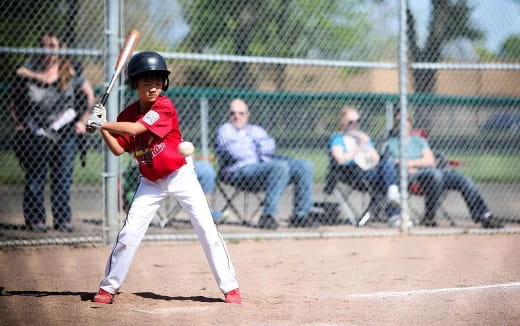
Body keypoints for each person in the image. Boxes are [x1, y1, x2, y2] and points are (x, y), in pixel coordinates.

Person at [86, 51, 241, 304]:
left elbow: (137, 129)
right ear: (135, 84)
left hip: (181, 176)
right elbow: (117, 149)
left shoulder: (164, 106)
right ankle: (108, 288)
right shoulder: (126, 115)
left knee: (206, 229)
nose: (153, 88)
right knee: (128, 234)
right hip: (150, 182)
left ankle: (231, 287)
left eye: (158, 82)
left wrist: (104, 124)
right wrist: (100, 127)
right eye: (147, 82)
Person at [9, 32, 95, 232]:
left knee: (63, 176)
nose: (49, 50)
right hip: (35, 129)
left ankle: (62, 219)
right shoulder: (27, 70)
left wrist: (83, 121)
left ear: (60, 49)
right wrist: (18, 124)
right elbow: (12, 99)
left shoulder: (71, 70)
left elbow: (89, 95)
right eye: (45, 45)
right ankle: (35, 219)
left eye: (53, 45)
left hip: (65, 129)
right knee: (35, 175)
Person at [384, 113, 502, 228]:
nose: (403, 123)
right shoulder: (392, 143)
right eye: (399, 121)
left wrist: (408, 162)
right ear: (395, 124)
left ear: (411, 123)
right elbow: (392, 165)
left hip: (432, 171)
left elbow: (430, 160)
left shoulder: (418, 140)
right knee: (435, 175)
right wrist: (416, 163)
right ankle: (429, 217)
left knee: (464, 180)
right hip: (411, 176)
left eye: (406, 120)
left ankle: (484, 215)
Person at [216, 98, 316, 229]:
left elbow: (270, 146)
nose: (237, 116)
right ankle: (268, 216)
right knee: (279, 166)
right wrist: (256, 149)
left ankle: (301, 215)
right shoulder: (226, 130)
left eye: (241, 113)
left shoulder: (256, 129)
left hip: (265, 171)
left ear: (247, 115)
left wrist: (251, 149)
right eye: (233, 113)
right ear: (228, 115)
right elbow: (237, 153)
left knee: (304, 165)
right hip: (239, 173)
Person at [326, 106, 401, 226]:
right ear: (342, 122)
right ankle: (393, 213)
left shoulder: (362, 136)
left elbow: (377, 159)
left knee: (388, 162)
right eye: (351, 122)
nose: (354, 125)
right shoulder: (338, 138)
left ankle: (392, 198)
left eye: (357, 121)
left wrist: (367, 144)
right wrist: (356, 148)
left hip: (372, 170)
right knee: (391, 178)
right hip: (352, 173)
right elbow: (340, 160)